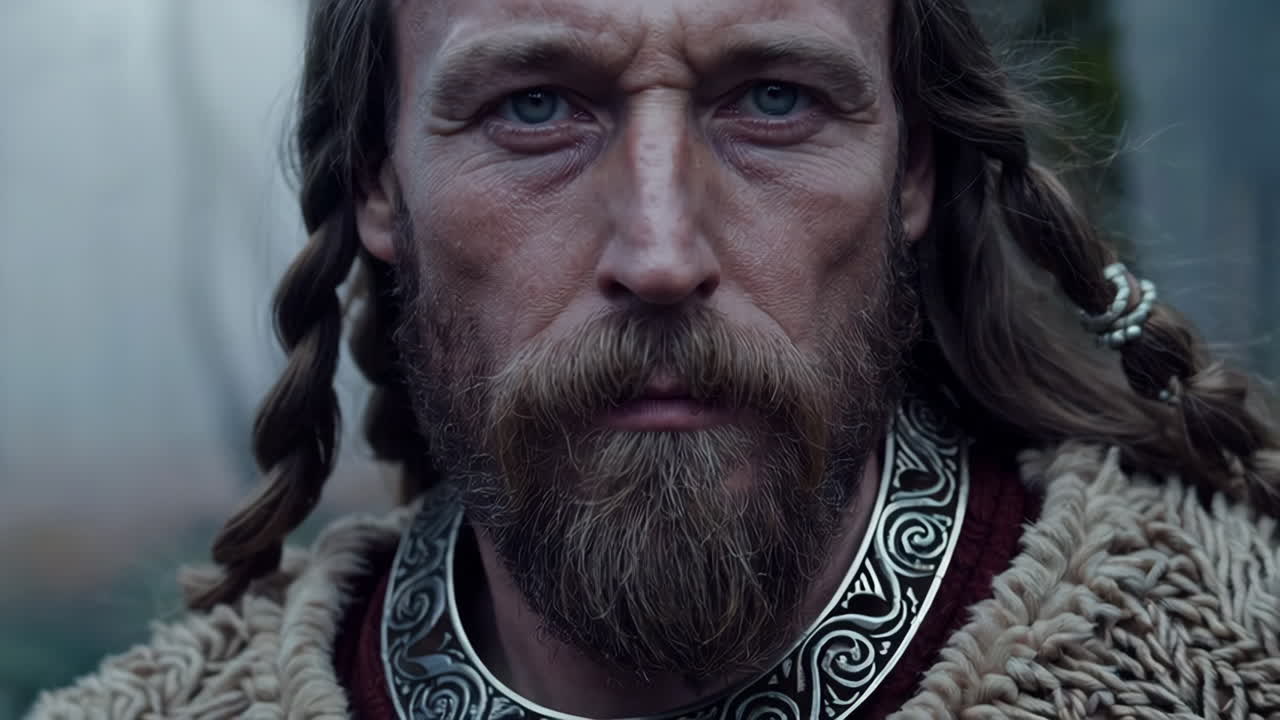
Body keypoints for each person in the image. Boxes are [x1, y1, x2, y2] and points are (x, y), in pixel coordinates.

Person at [29, 0, 1280, 717]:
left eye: (774, 98)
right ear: (377, 183)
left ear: (910, 170)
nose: (661, 248)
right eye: (534, 106)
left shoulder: (1238, 661)